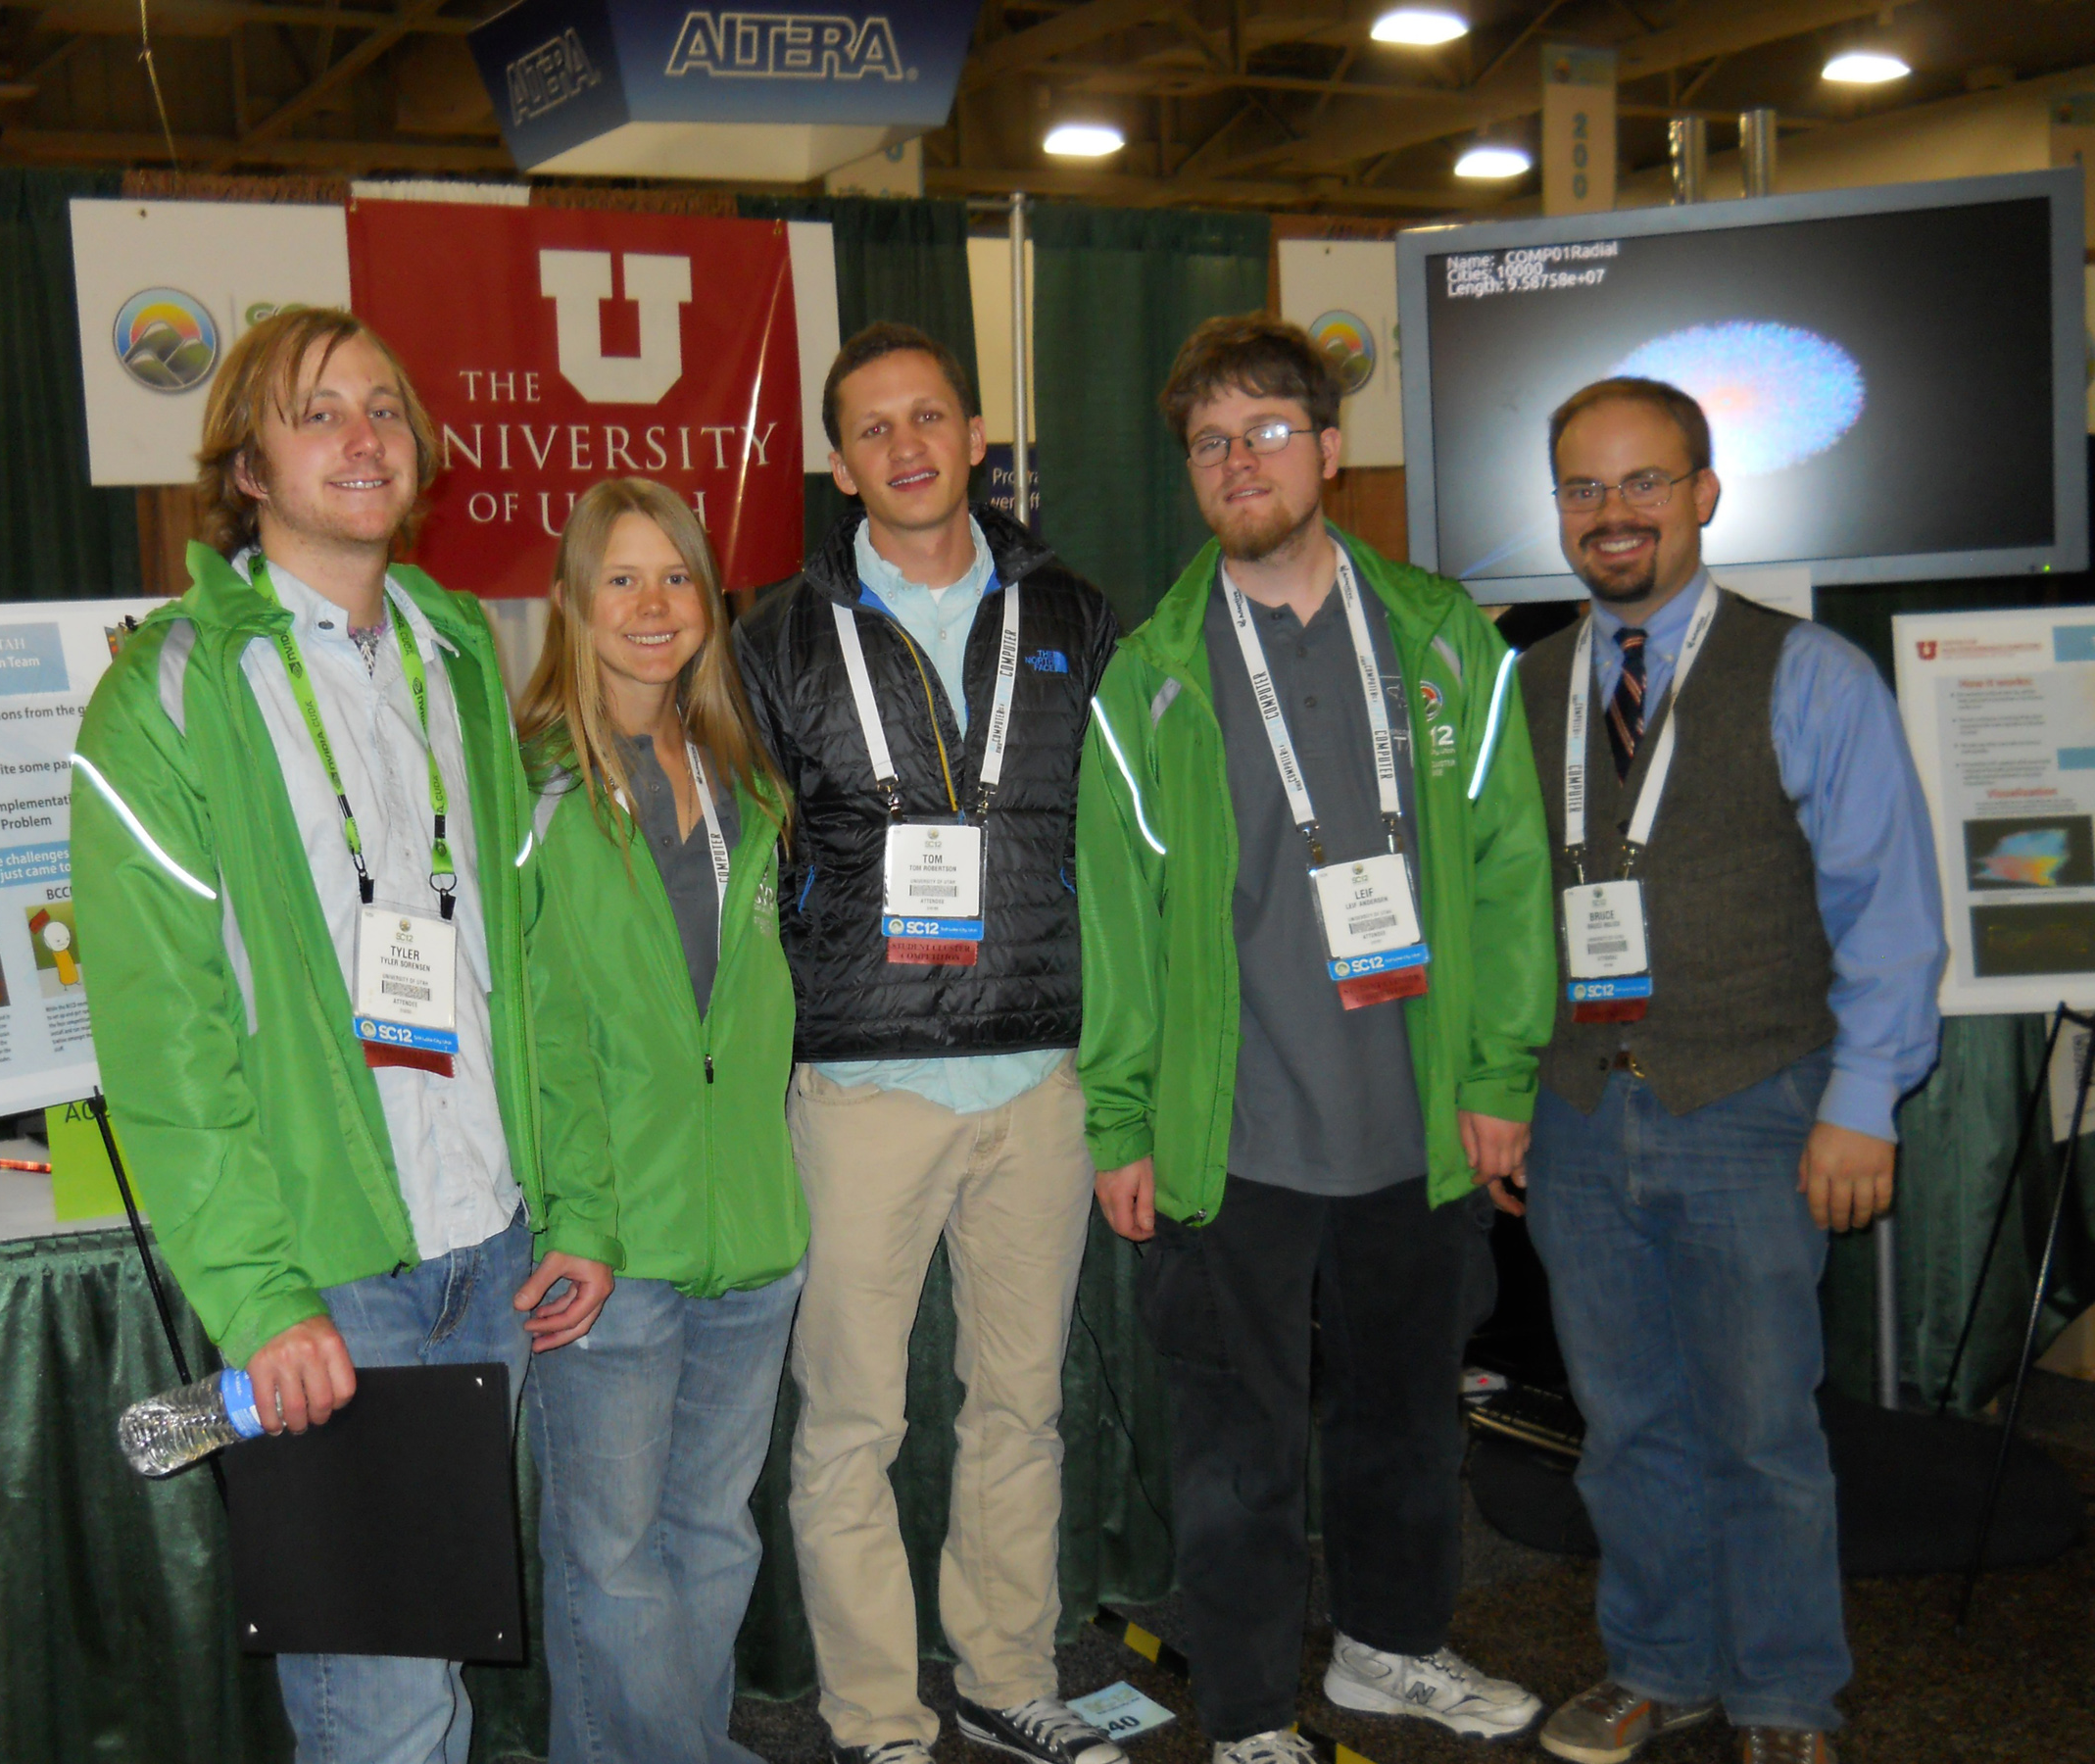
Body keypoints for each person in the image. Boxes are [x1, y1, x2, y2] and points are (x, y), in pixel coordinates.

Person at [72, 307, 610, 1764]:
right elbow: (163, 1040)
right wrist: (259, 1298)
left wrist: (564, 1201)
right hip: (333, 1280)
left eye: (384, 407)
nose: (363, 437)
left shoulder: (450, 644)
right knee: (382, 1709)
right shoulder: (168, 691)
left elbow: (522, 959)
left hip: (487, 1245)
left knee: (439, 1675)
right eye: (318, 414)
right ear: (246, 464)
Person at [1079, 313, 1556, 1764]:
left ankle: (1390, 1652)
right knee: (1236, 1453)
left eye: (1268, 431)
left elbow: (1507, 862)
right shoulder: (1149, 677)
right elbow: (1115, 915)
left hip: (1411, 1120)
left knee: (1409, 1419)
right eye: (1210, 444)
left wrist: (1495, 1074)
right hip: (1235, 1137)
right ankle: (1240, 1717)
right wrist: (1120, 1119)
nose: (1239, 462)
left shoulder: (1439, 636)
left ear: (1329, 451)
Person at [1513, 378, 1942, 1764]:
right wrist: (1502, 1092)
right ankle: (1657, 1666)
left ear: (1703, 492)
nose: (1614, 513)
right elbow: (1505, 915)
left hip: (1759, 1106)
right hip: (1579, 1114)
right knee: (1626, 1427)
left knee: (1763, 1433)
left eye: (1645, 483)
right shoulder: (1528, 684)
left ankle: (1783, 1699)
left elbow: (1889, 907)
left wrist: (1863, 1103)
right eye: (1585, 488)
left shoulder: (1810, 673)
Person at [731, 321, 1123, 1764]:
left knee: (1021, 1407)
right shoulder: (772, 636)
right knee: (852, 1428)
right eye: (875, 428)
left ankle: (1008, 1669)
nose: (908, 446)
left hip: (1041, 1077)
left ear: (974, 437)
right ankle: (878, 1720)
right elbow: (745, 867)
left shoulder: (1077, 612)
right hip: (862, 1085)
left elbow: (1126, 846)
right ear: (842, 465)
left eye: (931, 418)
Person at [514, 477, 808, 1764]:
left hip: (749, 1235)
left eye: (676, 577)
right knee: (612, 1563)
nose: (651, 606)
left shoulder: (745, 779)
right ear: (575, 602)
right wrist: (581, 1215)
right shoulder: (532, 789)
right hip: (612, 1245)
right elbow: (543, 1034)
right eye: (621, 578)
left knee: (714, 1536)